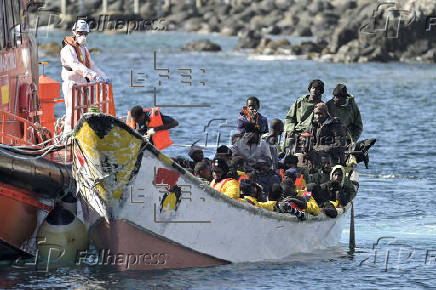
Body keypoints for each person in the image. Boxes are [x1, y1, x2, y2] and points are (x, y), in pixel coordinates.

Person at [61, 19, 110, 135]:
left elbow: (92, 65)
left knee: (85, 110)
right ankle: (68, 136)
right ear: (74, 32)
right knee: (72, 112)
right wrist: (92, 75)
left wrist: (103, 77)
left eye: (85, 34)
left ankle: (84, 134)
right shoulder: (67, 49)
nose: (82, 36)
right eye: (80, 33)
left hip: (83, 84)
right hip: (71, 85)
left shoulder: (84, 49)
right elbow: (75, 65)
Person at [283, 79, 325, 150]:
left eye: (317, 89)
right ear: (310, 89)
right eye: (313, 88)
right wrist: (290, 129)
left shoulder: (321, 106)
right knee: (289, 142)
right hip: (296, 130)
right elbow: (289, 118)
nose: (314, 90)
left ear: (320, 91)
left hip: (311, 133)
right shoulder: (300, 102)